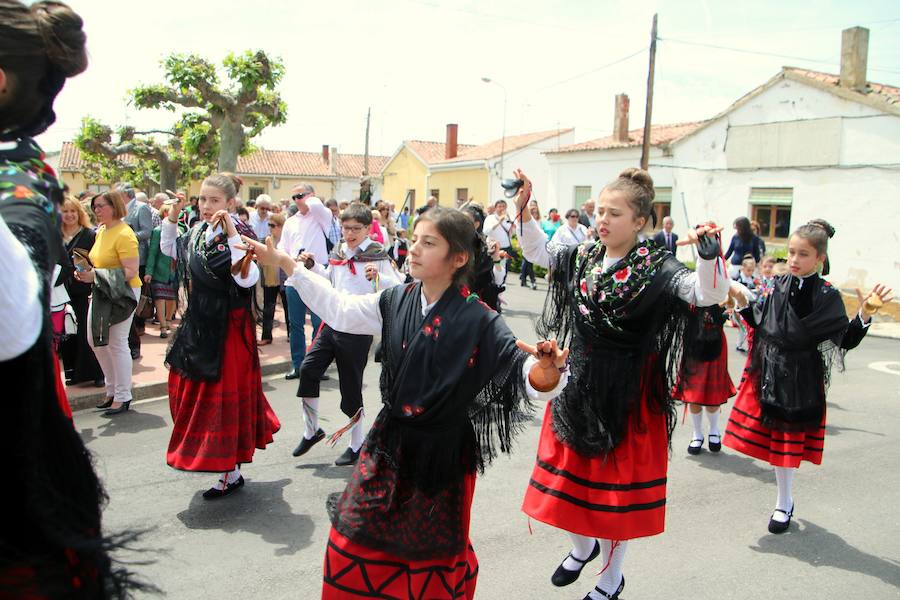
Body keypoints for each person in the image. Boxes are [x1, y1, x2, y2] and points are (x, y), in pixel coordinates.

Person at [241, 206, 569, 600]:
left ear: (459, 258)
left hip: (441, 456)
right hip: (388, 443)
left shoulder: (480, 320)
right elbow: (342, 311)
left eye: (428, 243)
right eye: (414, 240)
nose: (413, 250)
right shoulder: (396, 300)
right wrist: (288, 265)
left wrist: (547, 371)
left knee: (428, 560)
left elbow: (528, 378)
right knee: (351, 543)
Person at [515, 167, 727, 600]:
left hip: (630, 391)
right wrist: (523, 210)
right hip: (579, 381)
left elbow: (706, 295)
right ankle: (582, 547)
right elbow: (537, 251)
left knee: (613, 497)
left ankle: (611, 580)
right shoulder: (585, 254)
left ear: (640, 222)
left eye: (615, 213)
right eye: (601, 211)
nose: (603, 220)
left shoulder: (659, 267)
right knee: (565, 484)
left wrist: (709, 256)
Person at [0, 4, 148, 594]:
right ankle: (117, 392)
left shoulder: (19, 190)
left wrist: (105, 282)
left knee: (113, 351)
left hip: (17, 462)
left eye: (107, 205)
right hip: (83, 303)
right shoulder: (26, 177)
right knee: (101, 351)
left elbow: (132, 272)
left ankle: (122, 395)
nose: (101, 210)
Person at [723, 220, 892, 534]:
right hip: (772, 372)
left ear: (820, 259)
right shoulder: (780, 284)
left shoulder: (827, 295)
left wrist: (865, 313)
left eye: (803, 254)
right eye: (791, 253)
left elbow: (845, 339)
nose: (795, 260)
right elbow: (762, 321)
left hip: (802, 378)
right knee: (776, 447)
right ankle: (784, 500)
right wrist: (739, 303)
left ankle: (783, 503)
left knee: (786, 447)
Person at [161, 173, 280, 499]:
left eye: (214, 200)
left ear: (230, 203)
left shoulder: (241, 234)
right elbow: (169, 248)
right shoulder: (197, 230)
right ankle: (226, 467)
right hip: (200, 322)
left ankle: (229, 471)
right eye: (203, 199)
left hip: (228, 329)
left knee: (219, 401)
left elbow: (246, 279)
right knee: (182, 389)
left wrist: (229, 234)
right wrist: (172, 217)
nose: (206, 206)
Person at [291, 203, 404, 466]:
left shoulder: (378, 255)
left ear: (368, 229)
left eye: (356, 228)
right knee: (308, 370)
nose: (350, 233)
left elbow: (398, 288)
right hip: (332, 321)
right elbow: (331, 278)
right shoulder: (339, 251)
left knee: (350, 388)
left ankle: (357, 443)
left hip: (358, 328)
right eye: (346, 227)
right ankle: (312, 431)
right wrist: (313, 266)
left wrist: (379, 277)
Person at [75, 191, 141, 416]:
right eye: (94, 206)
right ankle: (112, 390)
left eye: (101, 206)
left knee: (116, 342)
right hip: (103, 289)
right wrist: (88, 273)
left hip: (124, 292)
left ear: (114, 206)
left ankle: (123, 396)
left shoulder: (125, 233)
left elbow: (131, 271)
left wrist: (95, 276)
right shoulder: (102, 231)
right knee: (94, 340)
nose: (96, 210)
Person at [277, 182, 332, 380]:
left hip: (317, 277)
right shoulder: (290, 221)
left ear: (312, 195)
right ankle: (298, 365)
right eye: (294, 197)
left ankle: (316, 365)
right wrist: (293, 259)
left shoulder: (321, 216)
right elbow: (282, 248)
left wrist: (309, 198)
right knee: (296, 325)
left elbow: (317, 206)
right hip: (295, 277)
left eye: (301, 195)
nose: (297, 200)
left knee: (319, 323)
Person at [674, 300, 737, 455]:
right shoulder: (690, 286)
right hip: (693, 342)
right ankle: (697, 433)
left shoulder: (722, 287)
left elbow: (732, 303)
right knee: (693, 393)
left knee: (712, 391)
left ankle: (714, 430)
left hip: (715, 342)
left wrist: (728, 303)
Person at [58, 196, 104, 386]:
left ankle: (96, 374)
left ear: (79, 213)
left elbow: (97, 262)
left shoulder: (89, 235)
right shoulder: (55, 236)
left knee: (87, 332)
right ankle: (73, 373)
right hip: (61, 292)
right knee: (68, 333)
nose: (69, 215)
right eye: (65, 211)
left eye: (73, 211)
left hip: (85, 290)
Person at [121, 185, 152, 358]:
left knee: (131, 303)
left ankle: (134, 344)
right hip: (119, 261)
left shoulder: (141, 208)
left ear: (125, 194)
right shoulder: (119, 210)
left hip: (137, 260)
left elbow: (147, 232)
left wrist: (127, 235)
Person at [144, 203, 182, 339]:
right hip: (160, 271)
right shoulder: (157, 231)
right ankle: (163, 326)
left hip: (175, 271)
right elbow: (153, 252)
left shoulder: (181, 230)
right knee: (160, 299)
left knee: (172, 299)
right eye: (168, 212)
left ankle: (168, 321)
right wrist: (149, 271)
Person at [462, 204, 506, 312]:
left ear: (476, 224)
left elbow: (498, 279)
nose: (460, 224)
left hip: (476, 305)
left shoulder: (484, 247)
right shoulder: (450, 245)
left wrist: (496, 259)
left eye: (465, 221)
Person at [259, 212, 289, 346]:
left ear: (282, 226)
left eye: (273, 225)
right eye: (269, 225)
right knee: (268, 308)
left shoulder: (287, 241)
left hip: (285, 279)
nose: (270, 228)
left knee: (288, 309)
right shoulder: (267, 240)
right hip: (270, 279)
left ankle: (291, 334)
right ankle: (266, 336)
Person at [483, 198, 515, 284]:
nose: (501, 208)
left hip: (506, 247)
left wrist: (511, 223)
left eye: (503, 206)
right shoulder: (490, 218)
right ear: (495, 208)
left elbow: (514, 232)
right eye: (499, 206)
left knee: (505, 270)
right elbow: (486, 231)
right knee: (493, 269)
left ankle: (501, 287)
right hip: (494, 248)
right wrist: (498, 222)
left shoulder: (509, 218)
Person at [731, 254, 759, 352]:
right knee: (743, 328)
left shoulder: (753, 279)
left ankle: (742, 344)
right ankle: (739, 345)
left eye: (752, 270)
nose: (750, 272)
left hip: (748, 306)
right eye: (748, 270)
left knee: (746, 327)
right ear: (743, 268)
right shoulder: (738, 278)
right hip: (738, 306)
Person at [519, 201, 540, 290]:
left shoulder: (538, 218)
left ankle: (523, 278)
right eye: (531, 205)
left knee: (527, 262)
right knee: (528, 262)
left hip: (534, 242)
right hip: (526, 242)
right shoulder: (525, 216)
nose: (533, 207)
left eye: (534, 206)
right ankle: (532, 280)